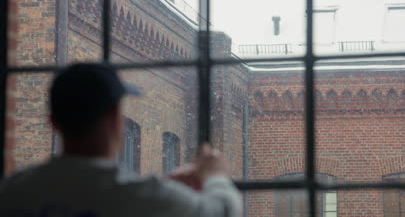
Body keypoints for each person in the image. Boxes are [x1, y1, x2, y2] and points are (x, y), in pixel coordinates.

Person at [0, 63, 241, 217]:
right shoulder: (145, 197)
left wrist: (168, 187)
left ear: (52, 121)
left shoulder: (13, 192)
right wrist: (215, 174)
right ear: (115, 118)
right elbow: (224, 211)